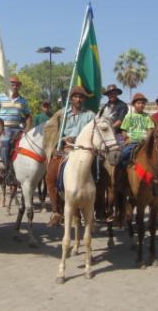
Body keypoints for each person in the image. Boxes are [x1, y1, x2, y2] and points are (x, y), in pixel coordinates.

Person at [44, 86, 96, 227]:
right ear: (71, 98)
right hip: (65, 148)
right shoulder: (61, 114)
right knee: (50, 176)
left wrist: (79, 139)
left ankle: (96, 210)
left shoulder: (90, 116)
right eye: (76, 96)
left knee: (100, 173)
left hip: (84, 151)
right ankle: (55, 212)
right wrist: (55, 146)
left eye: (81, 97)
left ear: (84, 99)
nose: (78, 99)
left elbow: (95, 133)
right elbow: (51, 131)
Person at [0, 76, 32, 186]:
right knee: (4, 144)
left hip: (18, 129)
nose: (15, 86)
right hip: (5, 129)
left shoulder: (23, 101)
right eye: (12, 84)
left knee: (29, 146)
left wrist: (27, 129)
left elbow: (28, 116)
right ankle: (3, 172)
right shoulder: (0, 97)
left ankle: (24, 172)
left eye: (17, 84)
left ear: (19, 86)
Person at [119, 92, 155, 168]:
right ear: (134, 105)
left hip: (144, 142)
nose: (141, 105)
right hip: (132, 142)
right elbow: (124, 130)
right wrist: (126, 139)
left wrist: (146, 139)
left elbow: (150, 129)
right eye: (138, 103)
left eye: (143, 103)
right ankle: (123, 170)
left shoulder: (147, 116)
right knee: (123, 154)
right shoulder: (129, 116)